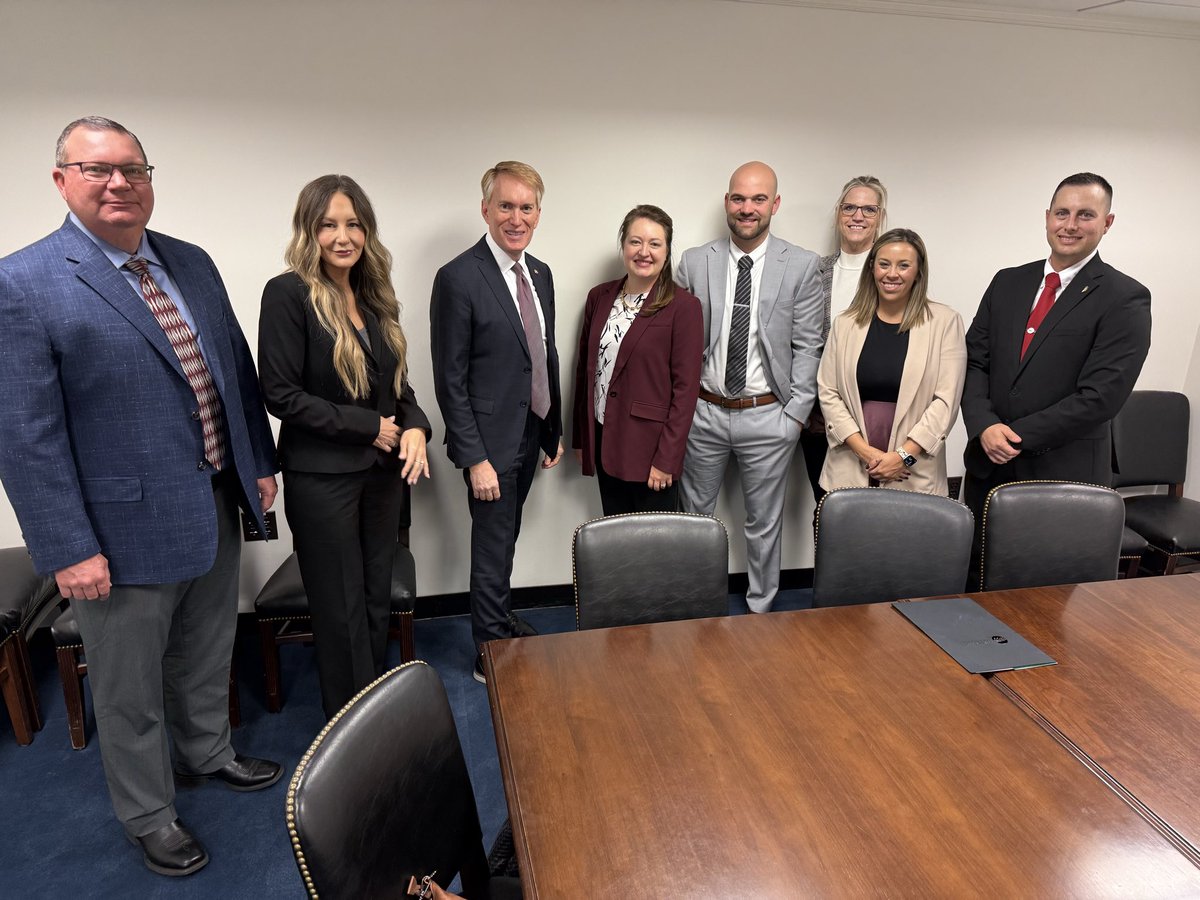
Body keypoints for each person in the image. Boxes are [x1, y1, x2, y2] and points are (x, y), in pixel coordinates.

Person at [0, 117, 281, 877]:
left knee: (204, 654)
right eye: (97, 169)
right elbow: (24, 436)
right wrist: (66, 548)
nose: (119, 182)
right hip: (114, 540)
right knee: (127, 690)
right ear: (62, 180)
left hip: (214, 505)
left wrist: (256, 463)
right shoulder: (23, 283)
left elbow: (233, 371)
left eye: (133, 168)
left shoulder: (190, 262)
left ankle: (207, 753)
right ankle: (149, 814)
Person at [258, 175, 431, 719]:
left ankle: (374, 708)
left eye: (353, 223)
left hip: (380, 477)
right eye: (328, 224)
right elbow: (280, 393)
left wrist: (417, 427)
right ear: (309, 231)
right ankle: (347, 725)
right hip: (322, 479)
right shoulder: (287, 293)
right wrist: (370, 428)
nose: (342, 236)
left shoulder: (376, 297)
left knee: (375, 595)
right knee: (339, 609)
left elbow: (398, 390)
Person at [961, 173, 1151, 568]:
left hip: (1062, 474)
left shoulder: (1125, 297)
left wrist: (1014, 435)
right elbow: (976, 360)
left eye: (1085, 215)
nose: (1070, 224)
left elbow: (1101, 398)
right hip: (989, 466)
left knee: (1044, 602)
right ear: (1047, 216)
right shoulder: (1007, 282)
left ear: (1107, 223)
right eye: (1062, 212)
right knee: (975, 584)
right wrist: (984, 426)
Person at [430, 161, 563, 683]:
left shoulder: (541, 273)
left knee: (505, 537)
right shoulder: (458, 278)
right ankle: (489, 655)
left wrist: (550, 430)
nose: (515, 217)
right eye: (505, 206)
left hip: (530, 432)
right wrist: (474, 458)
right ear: (485, 209)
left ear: (537, 214)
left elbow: (541, 355)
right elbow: (450, 379)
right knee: (490, 546)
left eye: (526, 207)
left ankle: (497, 621)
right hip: (488, 443)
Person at [676, 161, 824, 613]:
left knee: (763, 523)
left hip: (768, 415)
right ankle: (697, 604)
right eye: (739, 198)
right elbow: (678, 343)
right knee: (695, 519)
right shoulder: (694, 261)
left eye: (758, 199)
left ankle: (761, 608)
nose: (747, 208)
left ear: (774, 204)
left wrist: (794, 416)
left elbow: (809, 344)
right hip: (704, 412)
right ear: (727, 202)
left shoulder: (801, 265)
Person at [572, 205, 703, 515]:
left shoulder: (684, 307)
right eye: (635, 241)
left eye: (655, 243)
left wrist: (666, 460)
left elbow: (686, 392)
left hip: (651, 453)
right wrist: (583, 437)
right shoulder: (599, 297)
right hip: (604, 440)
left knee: (653, 549)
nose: (644, 252)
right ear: (623, 245)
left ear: (667, 251)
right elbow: (585, 372)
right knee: (616, 541)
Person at [817, 228, 966, 494]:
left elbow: (946, 402)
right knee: (850, 536)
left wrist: (902, 456)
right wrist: (865, 453)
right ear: (872, 267)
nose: (892, 274)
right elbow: (828, 392)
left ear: (918, 271)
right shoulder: (845, 323)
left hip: (913, 468)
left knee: (907, 535)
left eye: (904, 265)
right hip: (852, 462)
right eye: (884, 264)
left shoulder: (945, 322)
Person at [804, 176, 889, 506]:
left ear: (880, 217)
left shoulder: (891, 272)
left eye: (869, 208)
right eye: (849, 207)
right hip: (819, 416)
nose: (858, 216)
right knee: (827, 506)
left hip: (875, 412)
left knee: (877, 508)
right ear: (839, 213)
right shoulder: (816, 270)